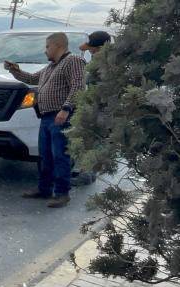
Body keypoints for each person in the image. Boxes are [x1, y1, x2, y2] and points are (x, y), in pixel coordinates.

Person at [5, 32, 86, 208]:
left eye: (48, 46)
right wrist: (15, 70)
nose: (45, 50)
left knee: (60, 155)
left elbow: (78, 86)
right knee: (45, 155)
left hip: (61, 116)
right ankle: (44, 189)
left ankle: (62, 194)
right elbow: (31, 78)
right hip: (47, 116)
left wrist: (66, 108)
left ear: (58, 45)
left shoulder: (73, 61)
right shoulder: (50, 67)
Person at [71, 30, 112, 186]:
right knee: (93, 141)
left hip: (101, 109)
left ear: (100, 47)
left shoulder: (105, 63)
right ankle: (89, 173)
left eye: (92, 48)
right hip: (98, 107)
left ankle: (86, 175)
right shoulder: (100, 59)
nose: (89, 50)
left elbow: (102, 89)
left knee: (91, 141)